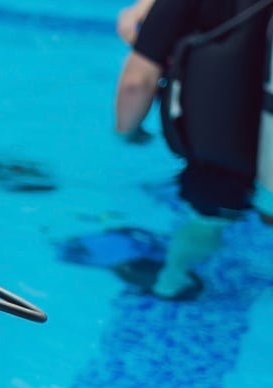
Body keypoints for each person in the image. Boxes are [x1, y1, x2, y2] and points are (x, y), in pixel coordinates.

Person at [114, 0, 273, 300]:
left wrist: (126, 134)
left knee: (204, 225)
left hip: (222, 161)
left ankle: (172, 281)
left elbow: (136, 83)